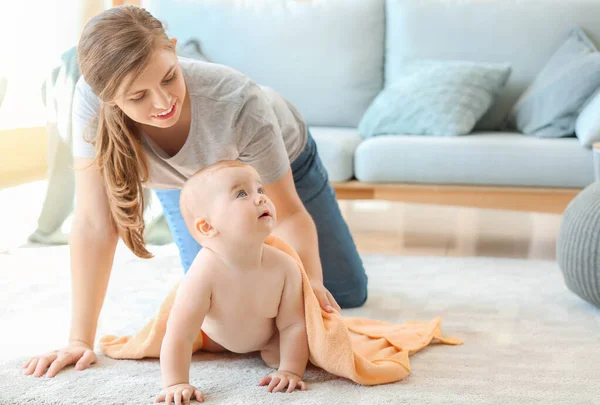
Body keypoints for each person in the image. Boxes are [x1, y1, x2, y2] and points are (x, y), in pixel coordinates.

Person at [22, 5, 367, 379]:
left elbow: (289, 213)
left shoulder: (238, 99)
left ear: (173, 49)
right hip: (190, 185)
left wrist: (309, 288)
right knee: (218, 301)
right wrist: (79, 340)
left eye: (169, 78)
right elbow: (94, 223)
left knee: (341, 294)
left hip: (280, 163)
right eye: (138, 98)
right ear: (109, 98)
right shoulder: (90, 101)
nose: (162, 102)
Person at [156, 160, 308, 404]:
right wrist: (176, 383)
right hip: (214, 339)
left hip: (268, 341)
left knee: (286, 351)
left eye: (260, 190)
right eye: (241, 193)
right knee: (193, 338)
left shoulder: (285, 266)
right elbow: (179, 335)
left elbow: (293, 325)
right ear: (207, 226)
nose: (260, 198)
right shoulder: (203, 273)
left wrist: (290, 369)